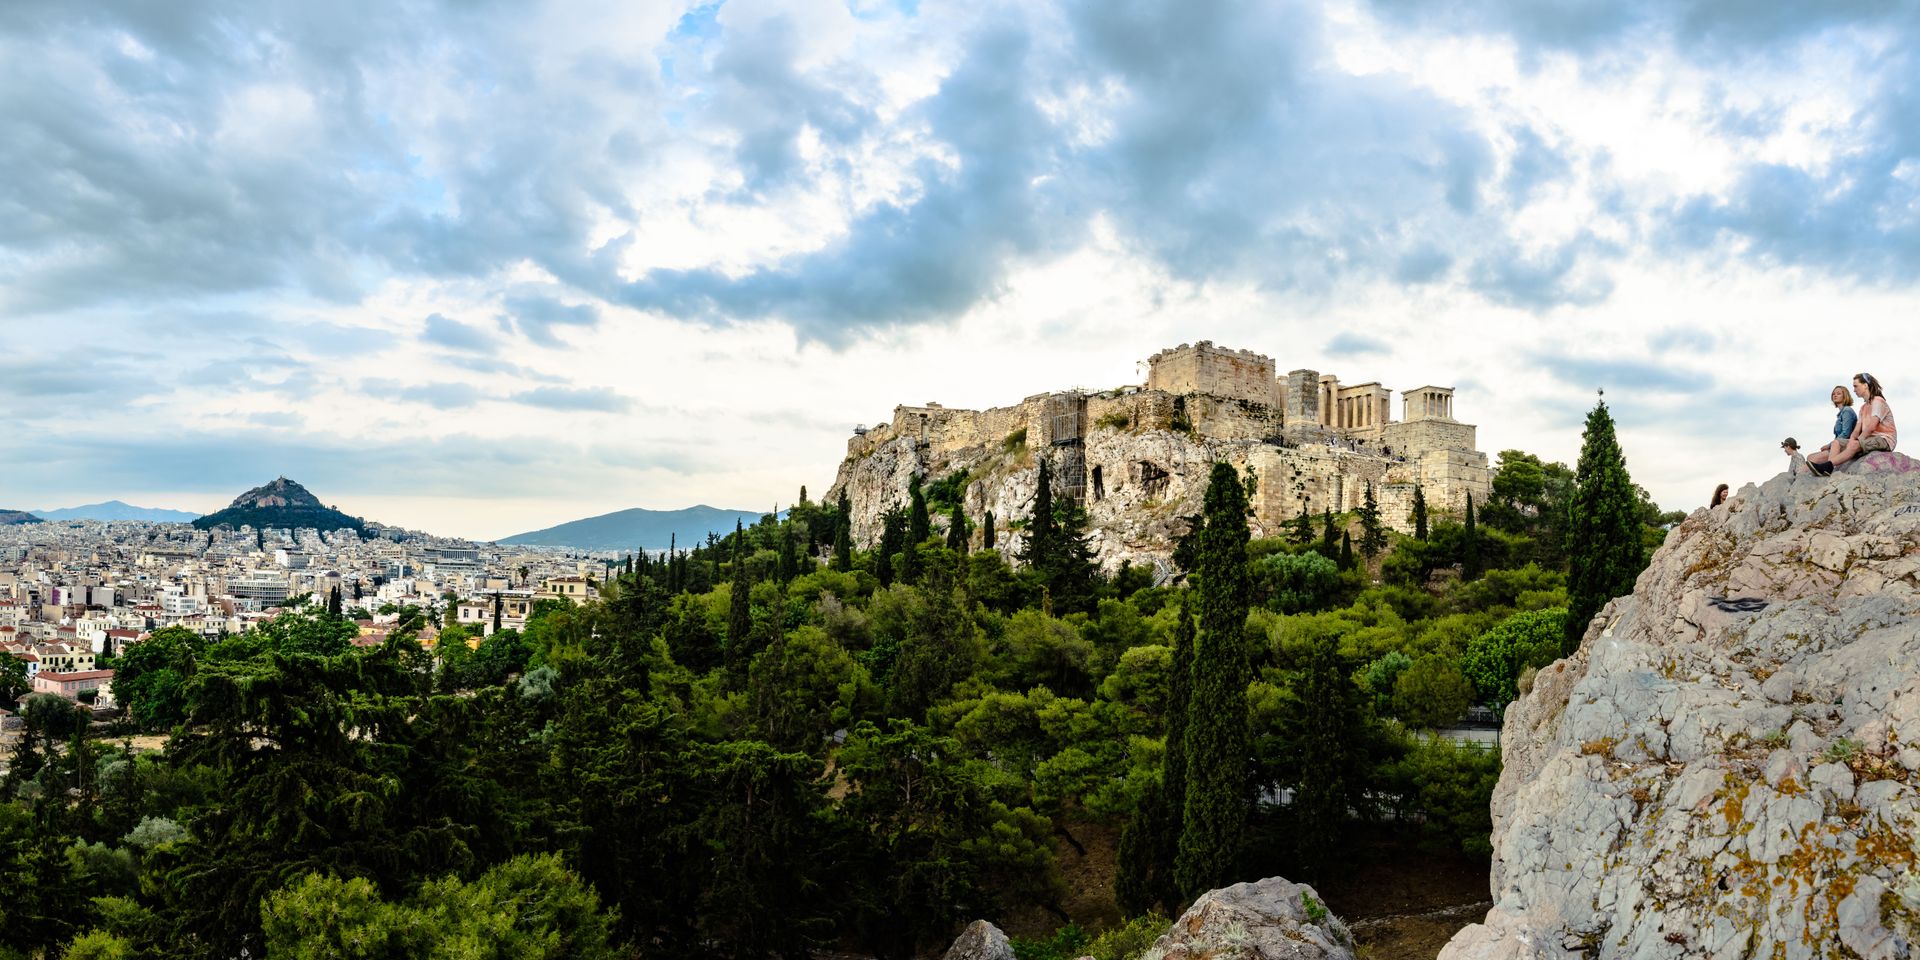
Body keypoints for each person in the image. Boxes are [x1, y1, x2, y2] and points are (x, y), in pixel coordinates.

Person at [1810, 373, 1896, 473]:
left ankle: (1827, 465)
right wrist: (1852, 440)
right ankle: (1829, 470)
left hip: (1884, 439)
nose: (1854, 390)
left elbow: (1872, 426)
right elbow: (1856, 430)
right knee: (1836, 442)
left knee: (1854, 445)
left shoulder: (1878, 401)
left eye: (1856, 386)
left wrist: (1857, 441)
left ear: (1865, 385)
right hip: (1868, 439)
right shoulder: (1863, 408)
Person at [1823, 385, 1858, 462]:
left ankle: (1829, 469)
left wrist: (1829, 445)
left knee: (1813, 458)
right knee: (1810, 457)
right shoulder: (1841, 414)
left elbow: (1846, 433)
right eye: (1833, 394)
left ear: (1844, 396)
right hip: (1838, 444)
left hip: (1846, 445)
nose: (1835, 395)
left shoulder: (1847, 410)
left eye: (1838, 393)